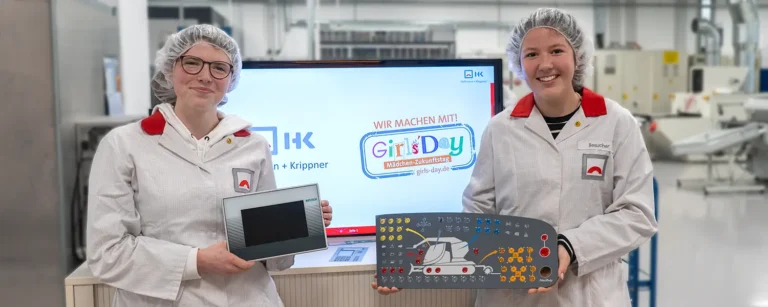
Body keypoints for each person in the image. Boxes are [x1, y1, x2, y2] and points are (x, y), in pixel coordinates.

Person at [372, 8, 657, 306]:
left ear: (577, 56)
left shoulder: (616, 123)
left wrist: (571, 246)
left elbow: (637, 214)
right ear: (518, 63)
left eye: (557, 50)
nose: (545, 64)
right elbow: (477, 217)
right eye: (531, 54)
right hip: (512, 295)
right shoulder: (500, 128)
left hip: (588, 293)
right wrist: (411, 265)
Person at [86, 24, 333, 307]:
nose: (205, 76)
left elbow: (275, 260)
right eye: (192, 63)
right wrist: (197, 261)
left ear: (231, 78)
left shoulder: (253, 146)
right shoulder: (124, 145)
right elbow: (108, 253)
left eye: (219, 68)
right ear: (170, 68)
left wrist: (302, 225)